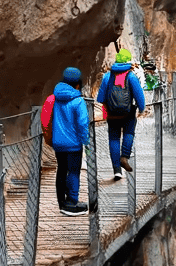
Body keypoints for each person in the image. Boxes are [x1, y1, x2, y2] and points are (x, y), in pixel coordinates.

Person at [96, 48, 145, 180]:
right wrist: (141, 109)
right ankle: (125, 156)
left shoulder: (107, 76)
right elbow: (139, 96)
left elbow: (100, 98)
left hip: (112, 114)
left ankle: (117, 170)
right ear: (128, 61)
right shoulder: (131, 76)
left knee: (113, 139)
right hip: (127, 113)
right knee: (129, 133)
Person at [48, 67, 90, 214]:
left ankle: (61, 202)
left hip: (58, 143)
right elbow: (83, 123)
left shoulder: (55, 98)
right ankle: (72, 202)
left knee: (61, 170)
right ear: (78, 84)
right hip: (73, 144)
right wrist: (86, 141)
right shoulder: (78, 101)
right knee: (73, 172)